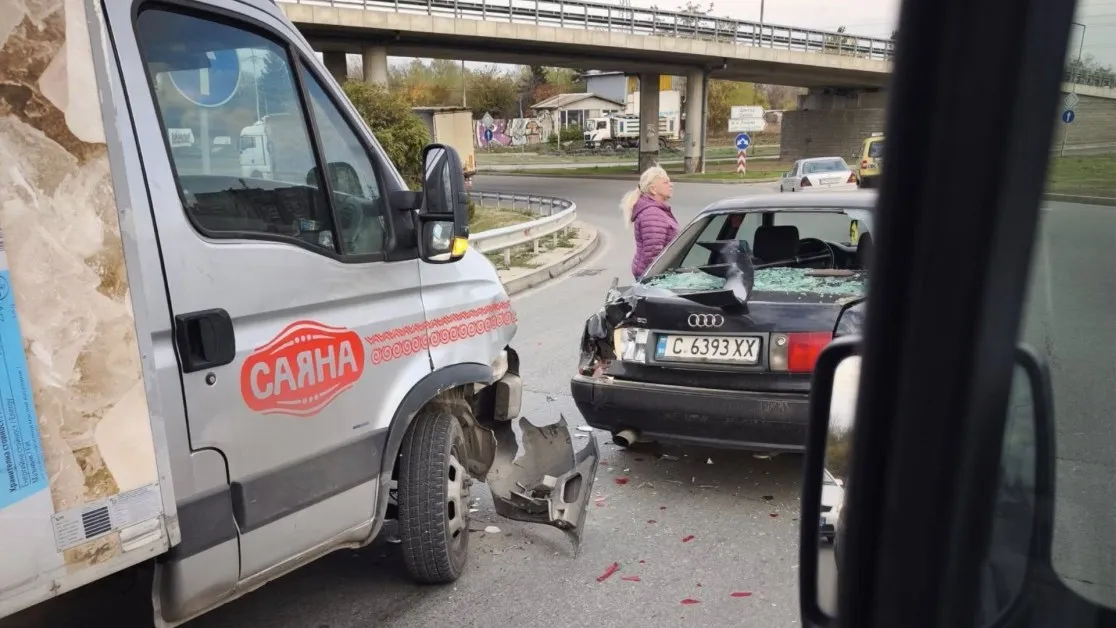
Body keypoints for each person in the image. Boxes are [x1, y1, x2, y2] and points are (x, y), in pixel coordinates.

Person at [621, 166, 678, 279]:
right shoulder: (652, 214)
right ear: (653, 189)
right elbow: (653, 254)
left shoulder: (655, 210)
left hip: (650, 274)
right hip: (653, 277)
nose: (671, 184)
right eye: (666, 182)